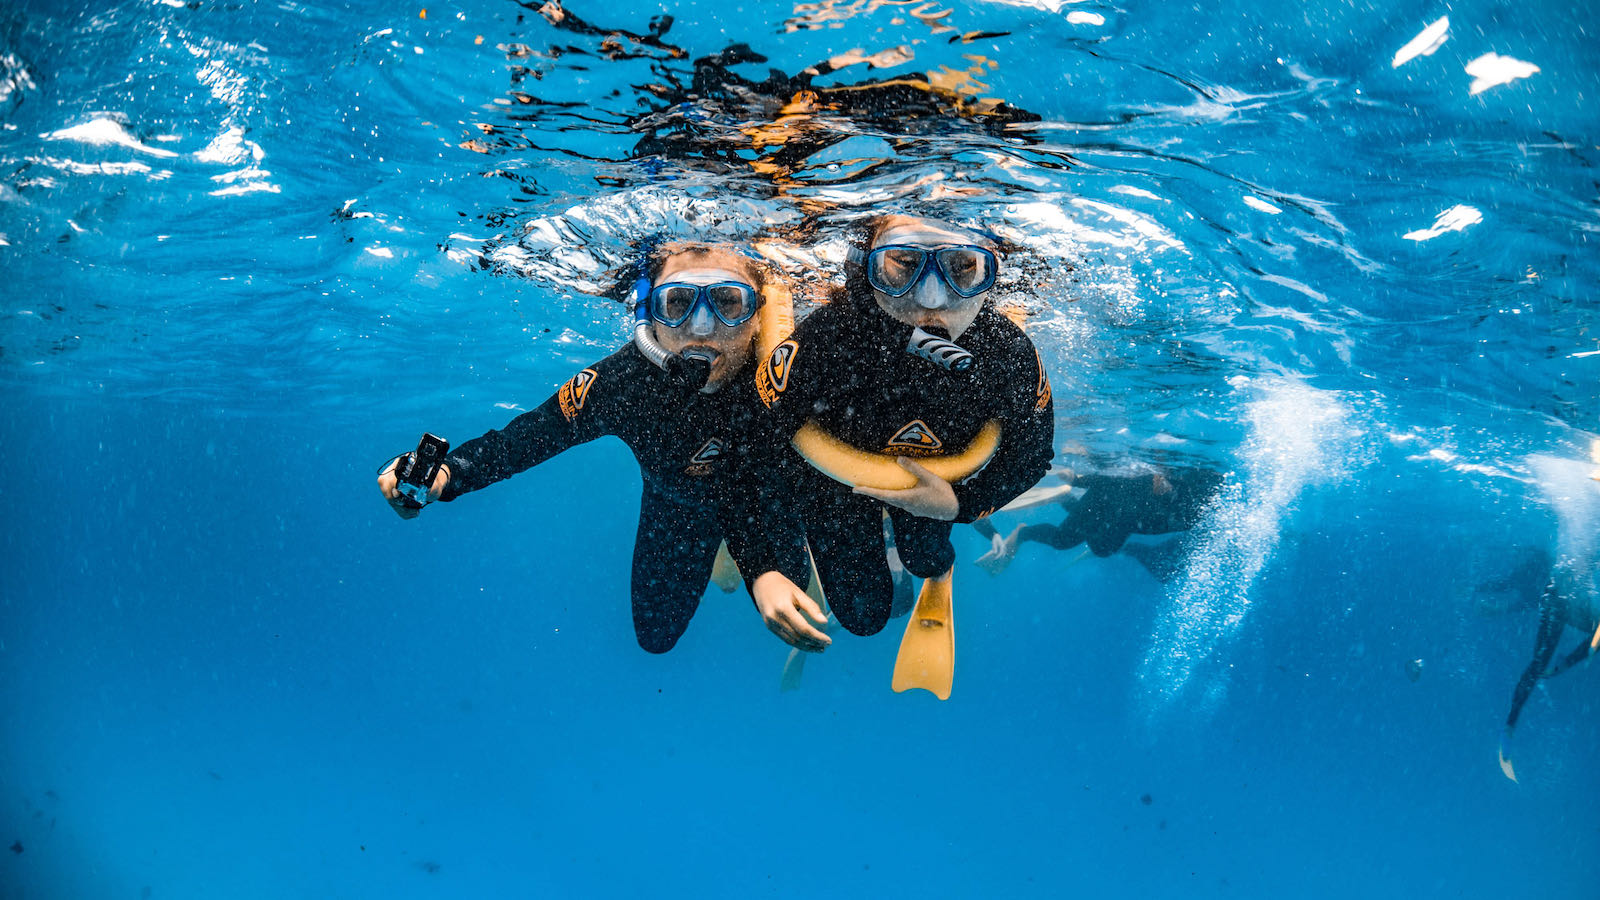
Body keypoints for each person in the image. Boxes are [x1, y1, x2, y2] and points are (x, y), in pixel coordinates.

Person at [377, 242, 829, 655]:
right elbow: (529, 437)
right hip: (679, 505)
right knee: (655, 636)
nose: (703, 328)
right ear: (649, 313)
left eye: (729, 302)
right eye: (679, 303)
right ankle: (729, 561)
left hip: (770, 503)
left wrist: (762, 570)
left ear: (759, 312)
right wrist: (446, 474)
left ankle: (742, 559)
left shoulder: (792, 367)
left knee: (848, 608)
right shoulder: (624, 384)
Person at [749, 213, 1055, 698]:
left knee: (927, 557)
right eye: (902, 265)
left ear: (989, 274)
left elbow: (1033, 456)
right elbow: (757, 450)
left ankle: (937, 567)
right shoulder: (822, 343)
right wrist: (770, 566)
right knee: (864, 618)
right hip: (833, 483)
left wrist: (959, 505)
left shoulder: (1009, 355)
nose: (930, 298)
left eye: (961, 268)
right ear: (866, 268)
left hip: (934, 488)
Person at [973, 467, 1223, 580]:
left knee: (1102, 549)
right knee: (1063, 541)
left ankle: (1066, 498)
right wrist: (1079, 480)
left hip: (1121, 520)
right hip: (1104, 501)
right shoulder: (1163, 487)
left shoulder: (1191, 516)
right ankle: (1023, 533)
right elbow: (1116, 482)